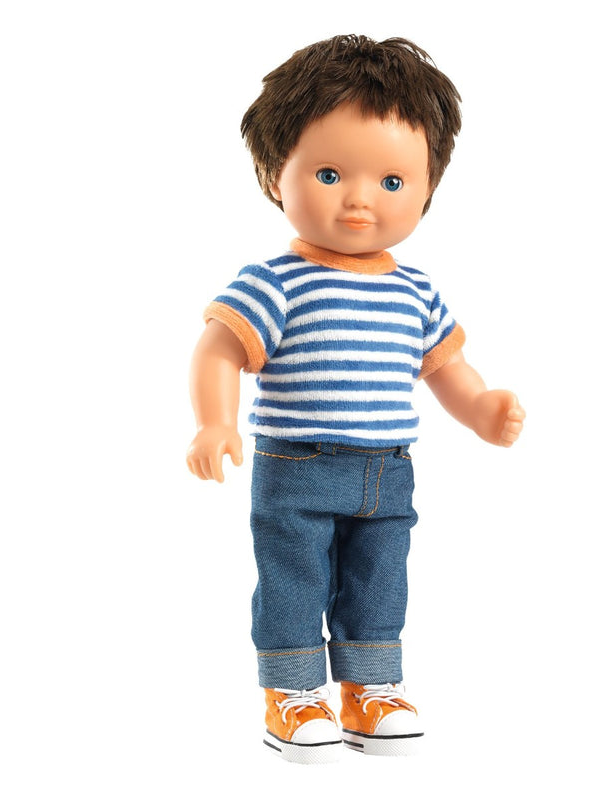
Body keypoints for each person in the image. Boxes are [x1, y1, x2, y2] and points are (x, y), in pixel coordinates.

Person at [186, 34, 525, 764]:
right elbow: (218, 348)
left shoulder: (417, 290)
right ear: (276, 174)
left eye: (393, 181)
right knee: (293, 576)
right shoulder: (276, 282)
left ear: (428, 188)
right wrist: (214, 421)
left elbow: (446, 369)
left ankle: (369, 689)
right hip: (298, 465)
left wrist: (482, 409)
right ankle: (291, 692)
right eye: (330, 173)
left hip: (388, 469)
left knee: (380, 579)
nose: (361, 198)